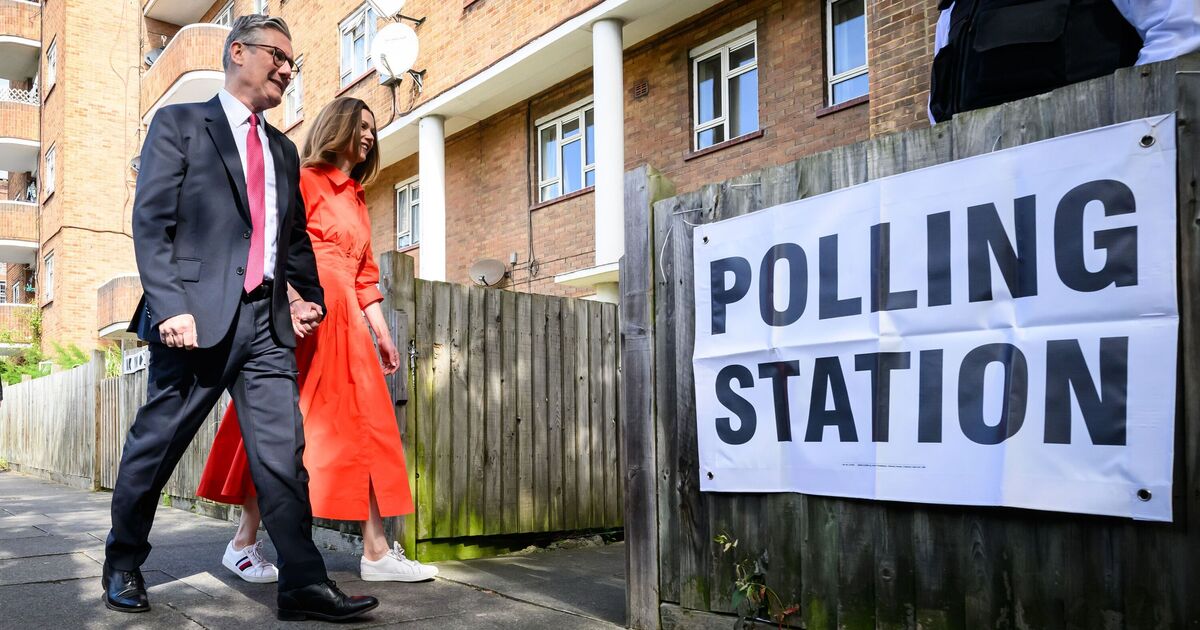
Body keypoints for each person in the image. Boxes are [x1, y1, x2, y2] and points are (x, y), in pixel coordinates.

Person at [103, 15, 378, 622]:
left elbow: (291, 239)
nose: (286, 68)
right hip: (194, 322)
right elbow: (152, 223)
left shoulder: (282, 149)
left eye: (291, 62)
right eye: (277, 55)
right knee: (159, 443)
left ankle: (303, 583)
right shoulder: (180, 123)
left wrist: (307, 296)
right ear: (236, 53)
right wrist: (171, 305)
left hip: (267, 325)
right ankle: (123, 562)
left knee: (283, 456)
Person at [195, 96, 438, 584]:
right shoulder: (304, 179)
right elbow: (272, 246)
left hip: (350, 323)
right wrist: (289, 303)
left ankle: (376, 552)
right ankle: (243, 542)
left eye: (373, 128)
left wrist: (384, 335)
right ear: (337, 126)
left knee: (368, 428)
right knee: (281, 430)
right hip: (307, 318)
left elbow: (366, 276)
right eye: (361, 125)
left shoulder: (357, 197)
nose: (369, 134)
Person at [929, 0, 1200, 123]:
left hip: (1099, 187)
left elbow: (1182, 38)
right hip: (984, 198)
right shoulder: (954, 7)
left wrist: (1131, 136)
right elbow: (940, 106)